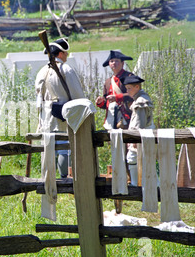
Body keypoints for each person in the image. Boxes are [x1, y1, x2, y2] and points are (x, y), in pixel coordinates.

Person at [35, 38, 85, 178]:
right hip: (62, 115)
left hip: (45, 117)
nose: (67, 55)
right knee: (64, 147)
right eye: (65, 53)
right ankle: (64, 178)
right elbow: (78, 95)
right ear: (61, 53)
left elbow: (39, 96)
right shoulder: (66, 69)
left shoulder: (42, 71)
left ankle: (48, 178)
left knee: (49, 148)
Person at [122, 75, 155, 186]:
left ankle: (137, 185)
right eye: (126, 88)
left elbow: (140, 123)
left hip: (141, 137)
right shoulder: (140, 99)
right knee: (138, 160)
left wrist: (135, 139)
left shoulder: (141, 101)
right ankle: (140, 184)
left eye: (129, 88)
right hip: (141, 136)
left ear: (137, 87)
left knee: (133, 158)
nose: (127, 91)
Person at [95, 50, 135, 130]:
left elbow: (134, 94)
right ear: (109, 64)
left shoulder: (129, 76)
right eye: (111, 61)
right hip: (111, 118)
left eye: (117, 61)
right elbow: (106, 103)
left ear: (122, 63)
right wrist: (101, 102)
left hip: (127, 117)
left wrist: (117, 97)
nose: (114, 63)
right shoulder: (108, 82)